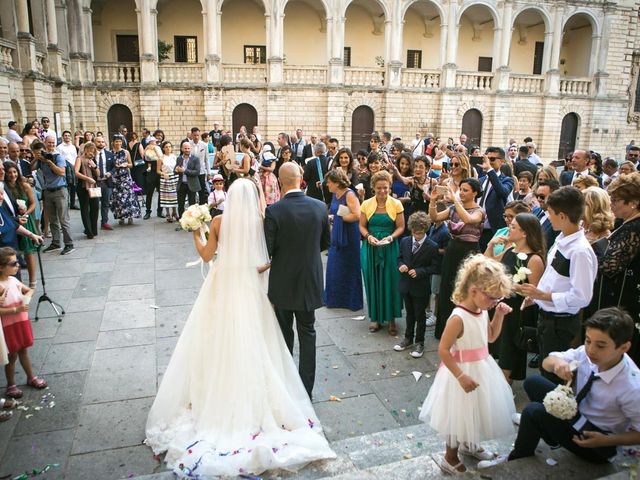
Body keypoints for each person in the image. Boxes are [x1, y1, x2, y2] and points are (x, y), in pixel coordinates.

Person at [145, 179, 335, 477]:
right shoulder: (260, 223)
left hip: (222, 285)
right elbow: (266, 259)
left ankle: (216, 389)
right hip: (250, 288)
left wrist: (197, 231)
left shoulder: (219, 222)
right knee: (257, 340)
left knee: (217, 339)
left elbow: (207, 256)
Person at [480, 307, 640, 469]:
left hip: (594, 441)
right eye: (588, 340)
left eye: (600, 345)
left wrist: (606, 440)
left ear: (624, 348)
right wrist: (558, 365)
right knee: (533, 382)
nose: (591, 350)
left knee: (533, 411)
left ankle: (516, 458)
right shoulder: (587, 353)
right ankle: (546, 431)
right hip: (575, 413)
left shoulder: (632, 387)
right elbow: (547, 361)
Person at [420, 254, 516, 474]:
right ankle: (450, 457)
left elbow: (490, 337)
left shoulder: (482, 310)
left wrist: (498, 316)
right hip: (460, 373)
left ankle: (470, 444)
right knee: (457, 416)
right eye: (492, 298)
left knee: (475, 412)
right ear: (474, 291)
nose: (494, 303)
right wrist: (460, 376)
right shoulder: (458, 317)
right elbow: (443, 350)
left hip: (482, 368)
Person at [264, 163, 330, 400]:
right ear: (301, 178)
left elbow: (267, 250)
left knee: (283, 336)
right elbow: (325, 243)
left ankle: (286, 387)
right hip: (309, 280)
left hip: (282, 283)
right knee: (308, 333)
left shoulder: (274, 211)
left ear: (280, 181)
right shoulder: (320, 207)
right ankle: (306, 391)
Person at [520, 186, 597, 383]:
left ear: (562, 216)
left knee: (554, 375)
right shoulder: (561, 240)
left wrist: (543, 296)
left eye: (550, 212)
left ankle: (549, 412)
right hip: (547, 317)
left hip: (560, 323)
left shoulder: (580, 251)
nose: (547, 216)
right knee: (545, 369)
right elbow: (553, 278)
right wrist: (536, 297)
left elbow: (582, 297)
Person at [485, 213, 545, 383]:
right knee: (497, 347)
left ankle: (504, 390)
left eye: (513, 227)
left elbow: (534, 293)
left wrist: (509, 285)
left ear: (525, 233)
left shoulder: (534, 259)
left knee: (508, 353)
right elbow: (490, 265)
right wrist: (490, 245)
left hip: (517, 311)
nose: (508, 229)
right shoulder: (510, 250)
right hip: (501, 306)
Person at [590, 173, 640, 366]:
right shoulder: (626, 224)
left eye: (616, 200)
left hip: (621, 299)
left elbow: (611, 266)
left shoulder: (634, 228)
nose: (611, 204)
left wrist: (589, 256)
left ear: (633, 202)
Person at [430, 178, 486, 339]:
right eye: (460, 189)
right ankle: (446, 330)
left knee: (467, 291)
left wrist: (454, 199)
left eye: (465, 190)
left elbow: (469, 219)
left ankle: (465, 331)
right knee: (448, 288)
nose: (461, 192)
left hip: (470, 254)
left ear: (475, 193)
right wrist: (433, 201)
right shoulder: (453, 208)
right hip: (452, 250)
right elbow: (434, 217)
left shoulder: (479, 210)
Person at [359, 170, 405, 335]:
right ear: (373, 188)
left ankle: (392, 318)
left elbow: (401, 226)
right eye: (379, 188)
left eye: (385, 187)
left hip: (390, 247)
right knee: (372, 280)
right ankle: (375, 318)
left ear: (389, 187)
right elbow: (362, 225)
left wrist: (391, 238)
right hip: (370, 247)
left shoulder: (396, 204)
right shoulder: (366, 204)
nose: (382, 191)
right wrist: (368, 236)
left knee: (391, 280)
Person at [0, 247, 46, 399]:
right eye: (13, 263)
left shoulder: (13, 280)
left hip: (20, 321)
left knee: (24, 351)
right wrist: (16, 308)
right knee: (11, 355)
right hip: (8, 325)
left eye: (17, 262)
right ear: (1, 267)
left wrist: (28, 294)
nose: (18, 265)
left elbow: (29, 290)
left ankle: (31, 377)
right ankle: (11, 384)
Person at [394, 211, 440, 358]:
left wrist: (420, 272)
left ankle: (420, 342)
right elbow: (399, 258)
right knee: (409, 314)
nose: (417, 236)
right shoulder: (405, 241)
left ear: (425, 230)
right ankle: (408, 338)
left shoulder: (432, 246)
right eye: (414, 233)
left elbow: (435, 267)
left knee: (420, 316)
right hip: (406, 284)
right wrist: (400, 265)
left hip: (421, 287)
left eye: (420, 233)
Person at [323, 169, 362, 311]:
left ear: (337, 183)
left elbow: (357, 215)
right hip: (337, 233)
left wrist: (338, 218)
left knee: (349, 266)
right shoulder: (335, 194)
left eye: (329, 182)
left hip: (349, 235)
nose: (327, 185)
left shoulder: (350, 194)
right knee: (334, 266)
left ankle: (350, 300)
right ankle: (334, 299)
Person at [31, 139, 74, 255]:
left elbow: (61, 172)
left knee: (63, 219)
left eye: (52, 143)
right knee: (53, 219)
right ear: (45, 145)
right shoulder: (41, 159)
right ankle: (56, 243)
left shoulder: (57, 157)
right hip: (48, 191)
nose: (51, 145)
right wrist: (37, 157)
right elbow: (31, 168)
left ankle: (69, 244)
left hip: (60, 191)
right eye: (48, 143)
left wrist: (49, 162)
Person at [4, 163, 39, 288]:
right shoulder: (5, 188)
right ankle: (17, 283)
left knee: (28, 253)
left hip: (25, 220)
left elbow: (33, 203)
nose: (12, 175)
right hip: (13, 222)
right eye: (9, 172)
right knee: (15, 253)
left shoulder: (24, 186)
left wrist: (26, 213)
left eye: (14, 172)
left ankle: (32, 282)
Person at [110, 135, 141, 226]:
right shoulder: (110, 153)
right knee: (118, 198)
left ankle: (131, 216)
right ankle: (121, 217)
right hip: (115, 177)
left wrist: (125, 164)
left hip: (125, 177)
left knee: (128, 196)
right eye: (116, 141)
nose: (118, 143)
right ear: (113, 142)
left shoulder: (126, 152)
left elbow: (131, 164)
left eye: (120, 141)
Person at [74, 142, 100, 239]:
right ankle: (89, 231)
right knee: (85, 208)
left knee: (95, 207)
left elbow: (98, 174)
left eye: (93, 151)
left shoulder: (93, 160)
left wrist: (94, 166)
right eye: (89, 151)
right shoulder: (79, 159)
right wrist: (87, 178)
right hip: (82, 186)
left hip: (93, 186)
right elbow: (76, 172)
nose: (91, 153)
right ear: (85, 150)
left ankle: (94, 229)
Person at [175, 141, 201, 220]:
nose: (187, 150)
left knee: (192, 205)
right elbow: (176, 170)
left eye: (188, 148)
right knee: (180, 204)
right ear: (182, 149)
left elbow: (197, 172)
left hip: (192, 185)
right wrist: (176, 170)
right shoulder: (179, 158)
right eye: (185, 148)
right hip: (181, 184)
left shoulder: (195, 159)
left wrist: (185, 171)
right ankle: (181, 221)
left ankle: (192, 221)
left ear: (191, 149)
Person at [94, 136, 115, 230]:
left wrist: (110, 173)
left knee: (105, 203)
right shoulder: (91, 154)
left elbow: (114, 167)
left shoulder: (109, 154)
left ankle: (104, 222)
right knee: (94, 204)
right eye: (99, 142)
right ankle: (93, 223)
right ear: (95, 143)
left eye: (103, 142)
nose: (101, 143)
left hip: (106, 182)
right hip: (95, 182)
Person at [142, 137, 164, 219]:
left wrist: (155, 149)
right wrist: (146, 149)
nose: (153, 143)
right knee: (149, 192)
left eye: (154, 141)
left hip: (158, 169)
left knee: (160, 192)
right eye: (151, 142)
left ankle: (160, 211)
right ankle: (148, 211)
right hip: (150, 171)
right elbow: (143, 157)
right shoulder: (147, 148)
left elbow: (161, 158)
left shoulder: (158, 148)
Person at [157, 141, 178, 222]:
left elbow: (177, 166)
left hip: (174, 177)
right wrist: (163, 173)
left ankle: (174, 212)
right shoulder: (161, 158)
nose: (168, 148)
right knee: (166, 196)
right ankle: (168, 213)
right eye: (166, 147)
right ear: (163, 148)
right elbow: (158, 171)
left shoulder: (174, 157)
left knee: (174, 196)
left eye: (169, 146)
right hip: (165, 178)